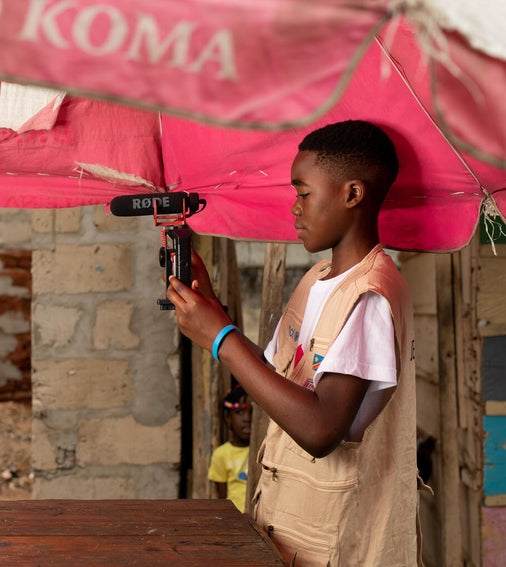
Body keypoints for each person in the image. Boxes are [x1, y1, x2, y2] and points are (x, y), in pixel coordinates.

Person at [167, 120, 419, 565]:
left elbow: (321, 429)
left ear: (352, 194)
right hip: (286, 525)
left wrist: (221, 339)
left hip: (337, 542)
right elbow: (276, 377)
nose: (294, 208)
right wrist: (213, 311)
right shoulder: (317, 278)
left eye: (303, 192)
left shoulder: (370, 297)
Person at [207, 384, 251, 512]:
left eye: (252, 412)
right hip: (236, 517)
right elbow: (222, 498)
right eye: (240, 412)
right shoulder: (221, 454)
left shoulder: (267, 453)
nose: (247, 419)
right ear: (228, 417)